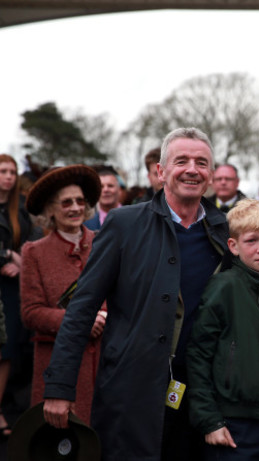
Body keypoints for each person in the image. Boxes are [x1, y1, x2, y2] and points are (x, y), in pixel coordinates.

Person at [41, 127, 231, 461]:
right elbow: (82, 308)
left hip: (203, 395)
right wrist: (59, 388)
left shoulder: (226, 231)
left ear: (211, 175)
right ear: (161, 171)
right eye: (181, 160)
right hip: (131, 392)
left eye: (201, 162)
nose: (192, 169)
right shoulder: (124, 224)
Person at [187, 199, 259, 461]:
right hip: (234, 426)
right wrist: (210, 421)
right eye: (251, 241)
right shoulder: (223, 287)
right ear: (233, 246)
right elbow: (198, 356)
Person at [20, 165, 105, 424]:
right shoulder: (34, 252)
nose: (75, 208)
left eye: (80, 201)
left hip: (106, 362)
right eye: (66, 202)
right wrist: (78, 321)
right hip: (58, 366)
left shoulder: (105, 242)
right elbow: (31, 313)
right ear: (50, 209)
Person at [0, 153, 36, 438]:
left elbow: (28, 245)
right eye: (3, 171)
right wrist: (5, 257)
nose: (9, 176)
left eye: (12, 171)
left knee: (7, 349)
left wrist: (18, 261)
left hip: (12, 289)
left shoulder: (19, 210)